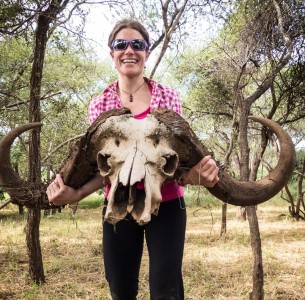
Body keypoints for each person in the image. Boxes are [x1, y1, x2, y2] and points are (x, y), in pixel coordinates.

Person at [47, 19, 219, 300]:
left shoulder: (168, 96)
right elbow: (104, 168)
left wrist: (198, 176)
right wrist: (75, 193)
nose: (130, 50)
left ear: (146, 53)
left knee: (167, 290)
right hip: (117, 202)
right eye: (121, 44)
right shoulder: (99, 104)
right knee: (120, 287)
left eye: (137, 44)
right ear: (112, 53)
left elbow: (179, 160)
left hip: (166, 202)